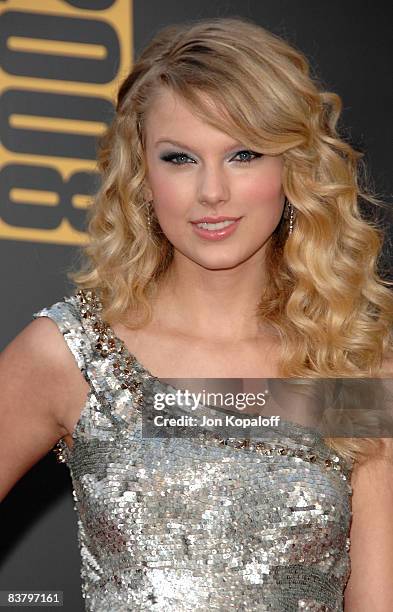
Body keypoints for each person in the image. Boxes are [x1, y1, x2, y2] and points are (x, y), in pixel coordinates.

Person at [1, 15, 393, 612]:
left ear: (292, 169)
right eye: (180, 158)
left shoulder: (355, 365)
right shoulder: (74, 355)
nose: (212, 191)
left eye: (243, 154)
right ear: (142, 173)